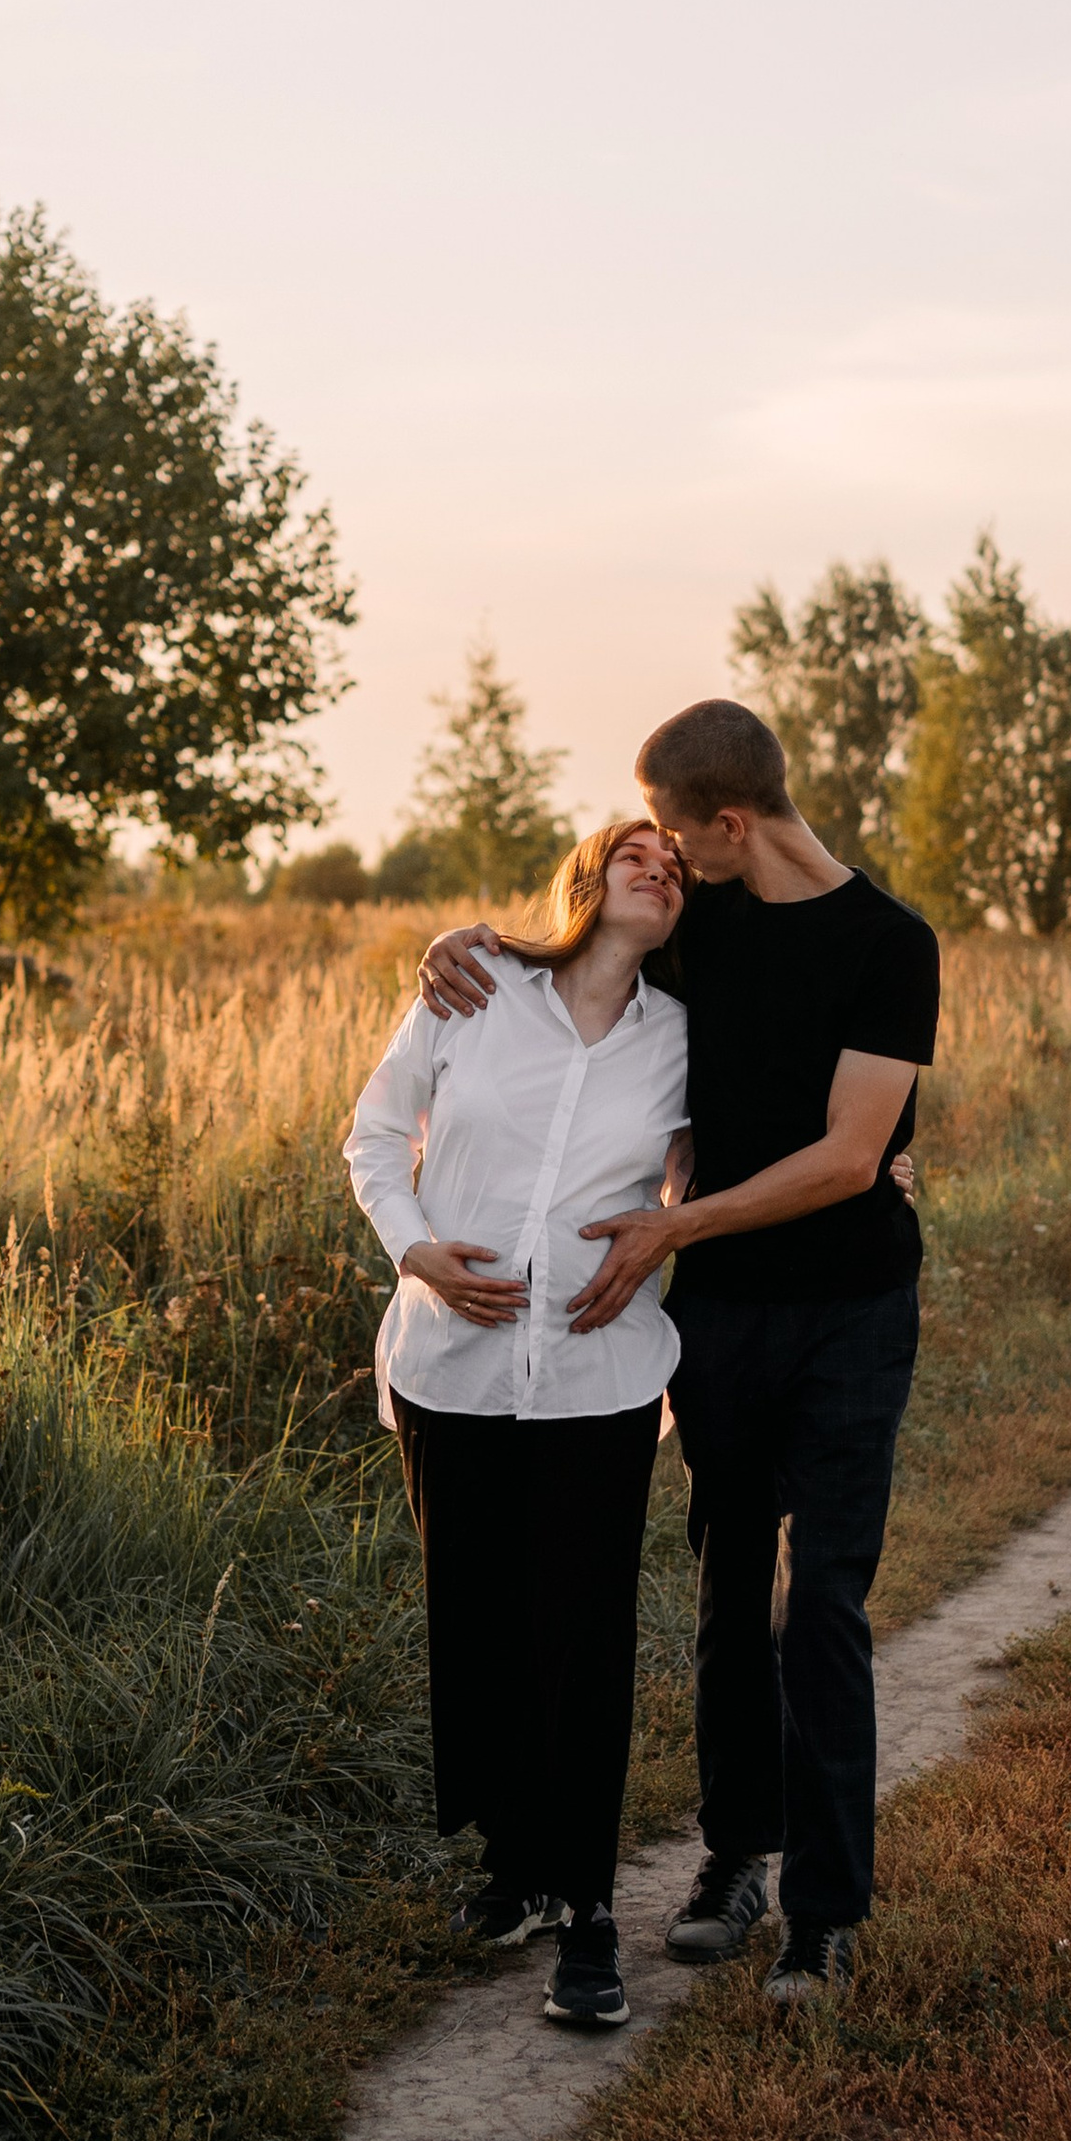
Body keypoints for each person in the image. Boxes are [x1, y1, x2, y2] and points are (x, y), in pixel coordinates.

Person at [420, 695, 940, 2007]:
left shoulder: (891, 945)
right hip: (721, 1319)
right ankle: (734, 1856)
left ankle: (824, 1917)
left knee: (817, 1597)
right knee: (724, 1588)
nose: (658, 849)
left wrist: (671, 1227)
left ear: (727, 820)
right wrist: (459, 943)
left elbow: (848, 1156)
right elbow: (571, 953)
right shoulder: (698, 926)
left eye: (669, 827)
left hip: (850, 1312)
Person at [345, 817, 692, 2032]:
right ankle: (515, 1871)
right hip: (451, 1364)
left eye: (680, 865)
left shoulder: (684, 1039)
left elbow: (705, 1177)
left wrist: (672, 1233)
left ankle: (589, 1911)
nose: (662, 869)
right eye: (638, 854)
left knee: (581, 1637)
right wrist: (418, 1250)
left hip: (597, 1377)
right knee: (479, 1624)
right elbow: (374, 1139)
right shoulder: (472, 986)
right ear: (588, 881)